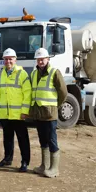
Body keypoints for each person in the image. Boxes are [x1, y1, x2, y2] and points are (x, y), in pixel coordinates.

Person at [0, 48, 31, 172]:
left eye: (10, 59)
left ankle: (25, 162)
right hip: (5, 114)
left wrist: (25, 111)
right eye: (6, 59)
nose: (8, 61)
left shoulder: (22, 74)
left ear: (15, 60)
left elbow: (27, 94)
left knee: (23, 139)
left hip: (18, 115)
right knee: (7, 138)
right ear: (3, 60)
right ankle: (7, 159)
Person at [29, 48, 67, 178]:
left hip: (50, 114)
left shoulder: (54, 72)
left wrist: (56, 105)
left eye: (42, 59)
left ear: (48, 59)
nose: (40, 61)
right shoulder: (34, 74)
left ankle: (54, 169)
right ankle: (44, 166)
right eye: (38, 59)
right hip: (38, 114)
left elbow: (63, 92)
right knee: (43, 140)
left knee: (52, 140)